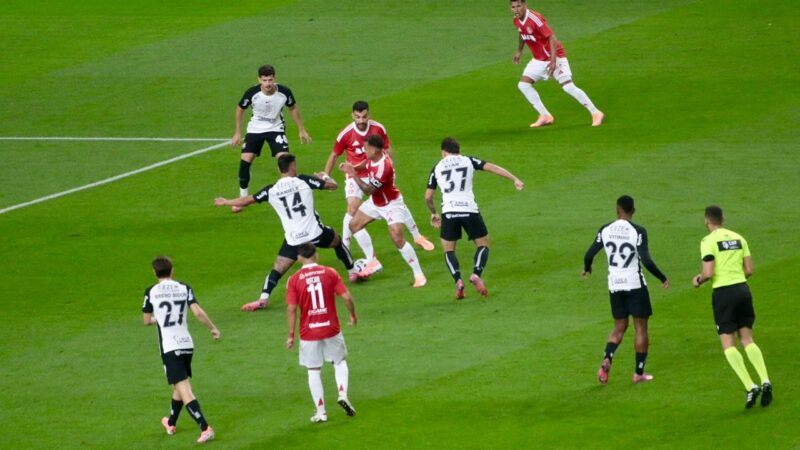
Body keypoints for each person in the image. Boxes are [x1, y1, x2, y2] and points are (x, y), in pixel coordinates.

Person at [215, 154, 359, 311]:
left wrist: (226, 202)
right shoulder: (304, 180)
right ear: (293, 167)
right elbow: (332, 186)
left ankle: (263, 298)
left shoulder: (271, 190)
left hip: (293, 240)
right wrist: (323, 176)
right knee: (337, 241)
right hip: (315, 234)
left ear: (279, 169)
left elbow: (246, 200)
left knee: (277, 269)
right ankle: (352, 272)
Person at [324, 101, 435, 272]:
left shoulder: (378, 129)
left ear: (369, 114)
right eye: (357, 116)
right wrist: (326, 176)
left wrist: (390, 169)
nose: (361, 120)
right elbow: (334, 155)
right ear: (352, 115)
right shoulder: (345, 134)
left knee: (394, 200)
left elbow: (388, 149)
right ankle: (370, 258)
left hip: (376, 171)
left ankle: (417, 236)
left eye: (364, 116)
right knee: (353, 209)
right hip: (356, 173)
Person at [582, 195, 668, 385]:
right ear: (633, 211)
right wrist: (662, 277)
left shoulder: (605, 229)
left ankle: (608, 358)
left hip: (615, 285)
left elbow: (589, 254)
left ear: (617, 210)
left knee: (619, 327)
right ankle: (638, 373)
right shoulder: (638, 231)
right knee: (640, 328)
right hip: (634, 284)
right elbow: (646, 260)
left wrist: (587, 268)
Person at [424, 137, 524, 299]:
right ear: (459, 150)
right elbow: (492, 167)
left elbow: (428, 197)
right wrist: (514, 179)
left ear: (443, 151)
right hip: (469, 209)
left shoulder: (437, 167)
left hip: (449, 212)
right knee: (483, 244)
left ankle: (458, 280)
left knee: (449, 250)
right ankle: (476, 274)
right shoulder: (468, 160)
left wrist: (434, 212)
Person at [692, 205, 772, 409]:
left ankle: (750, 386)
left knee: (728, 343)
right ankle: (765, 380)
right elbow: (750, 270)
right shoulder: (739, 238)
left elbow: (708, 272)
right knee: (747, 339)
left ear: (706, 221)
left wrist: (698, 280)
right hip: (743, 290)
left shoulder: (708, 241)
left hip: (724, 294)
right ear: (723, 219)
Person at [142, 256, 220, 444]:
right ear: (172, 270)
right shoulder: (184, 287)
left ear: (154, 272)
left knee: (184, 389)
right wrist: (213, 329)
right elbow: (198, 312)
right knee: (178, 386)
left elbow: (146, 321)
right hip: (186, 344)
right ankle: (170, 422)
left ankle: (204, 427)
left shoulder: (150, 292)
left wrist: (158, 319)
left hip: (170, 347)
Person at [339, 135, 427, 287]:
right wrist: (352, 167)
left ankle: (419, 275)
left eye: (366, 148)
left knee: (397, 239)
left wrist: (352, 174)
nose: (363, 150)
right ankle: (372, 261)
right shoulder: (374, 158)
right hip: (376, 202)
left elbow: (367, 190)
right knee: (353, 225)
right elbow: (365, 164)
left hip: (391, 204)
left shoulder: (384, 167)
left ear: (374, 149)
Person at [286, 243, 358, 423]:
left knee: (313, 370)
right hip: (331, 327)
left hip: (308, 331)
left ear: (299, 258)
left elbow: (291, 309)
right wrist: (352, 315)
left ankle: (321, 411)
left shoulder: (294, 279)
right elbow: (347, 297)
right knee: (339, 361)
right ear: (316, 255)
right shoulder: (330, 272)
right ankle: (342, 394)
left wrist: (291, 335)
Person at [230, 64, 312, 212]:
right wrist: (237, 132)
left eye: (270, 80)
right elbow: (240, 108)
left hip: (276, 128)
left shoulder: (284, 92)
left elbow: (292, 107)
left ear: (275, 78)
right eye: (264, 80)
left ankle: (292, 193)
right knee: (245, 161)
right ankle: (242, 198)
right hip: (255, 129)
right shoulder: (252, 93)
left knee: (285, 161)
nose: (268, 83)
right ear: (259, 79)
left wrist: (301, 129)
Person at [510, 0, 604, 127]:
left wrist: (553, 61)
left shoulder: (535, 18)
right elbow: (522, 33)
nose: (516, 9)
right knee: (523, 85)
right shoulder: (516, 20)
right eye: (513, 7)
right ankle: (545, 116)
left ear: (525, 5)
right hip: (539, 59)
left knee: (568, 86)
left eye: (519, 6)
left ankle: (596, 113)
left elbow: (552, 37)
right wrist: (519, 51)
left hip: (555, 56)